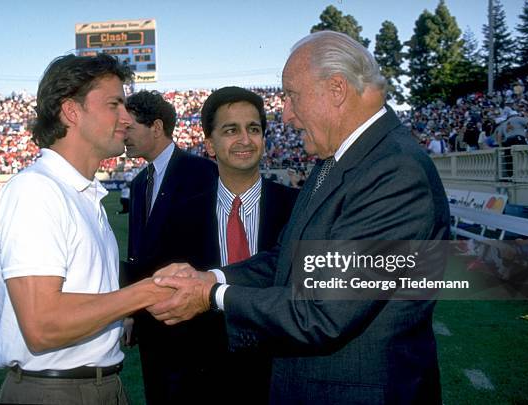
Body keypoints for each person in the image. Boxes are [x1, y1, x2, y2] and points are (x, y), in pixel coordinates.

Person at [149, 31, 450, 404]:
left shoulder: (394, 172)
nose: (286, 114)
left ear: (336, 89)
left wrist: (212, 296)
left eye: (292, 96)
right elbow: (287, 258)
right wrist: (213, 275)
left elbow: (323, 312)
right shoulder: (340, 163)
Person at [0, 54, 172, 404]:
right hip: (55, 391)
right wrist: (145, 293)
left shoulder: (82, 195)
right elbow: (43, 326)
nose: (126, 118)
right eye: (114, 104)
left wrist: (117, 320)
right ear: (72, 111)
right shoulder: (36, 192)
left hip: (96, 385)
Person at [156, 86, 298, 404]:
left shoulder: (298, 208)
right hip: (206, 380)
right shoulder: (178, 216)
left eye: (254, 129)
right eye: (231, 130)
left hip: (283, 374)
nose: (245, 140)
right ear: (209, 144)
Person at [119, 90, 218, 405]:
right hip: (150, 324)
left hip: (194, 322)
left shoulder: (204, 173)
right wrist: (132, 313)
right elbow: (137, 252)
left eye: (129, 129)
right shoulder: (137, 184)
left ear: (157, 127)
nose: (123, 137)